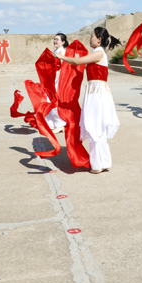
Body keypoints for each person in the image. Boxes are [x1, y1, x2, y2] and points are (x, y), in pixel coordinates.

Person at [56, 27, 120, 174]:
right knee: (98, 127)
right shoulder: (97, 53)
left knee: (95, 126)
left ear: (99, 39)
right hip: (96, 92)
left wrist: (61, 56)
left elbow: (77, 61)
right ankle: (104, 162)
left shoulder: (99, 53)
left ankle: (97, 165)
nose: (90, 39)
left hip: (97, 94)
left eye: (92, 36)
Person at [46, 33, 68, 133]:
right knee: (49, 101)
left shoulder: (63, 52)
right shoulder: (54, 52)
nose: (55, 41)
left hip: (58, 81)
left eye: (57, 39)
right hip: (52, 80)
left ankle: (60, 124)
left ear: (63, 42)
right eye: (54, 39)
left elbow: (63, 68)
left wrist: (56, 80)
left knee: (55, 102)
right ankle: (51, 123)